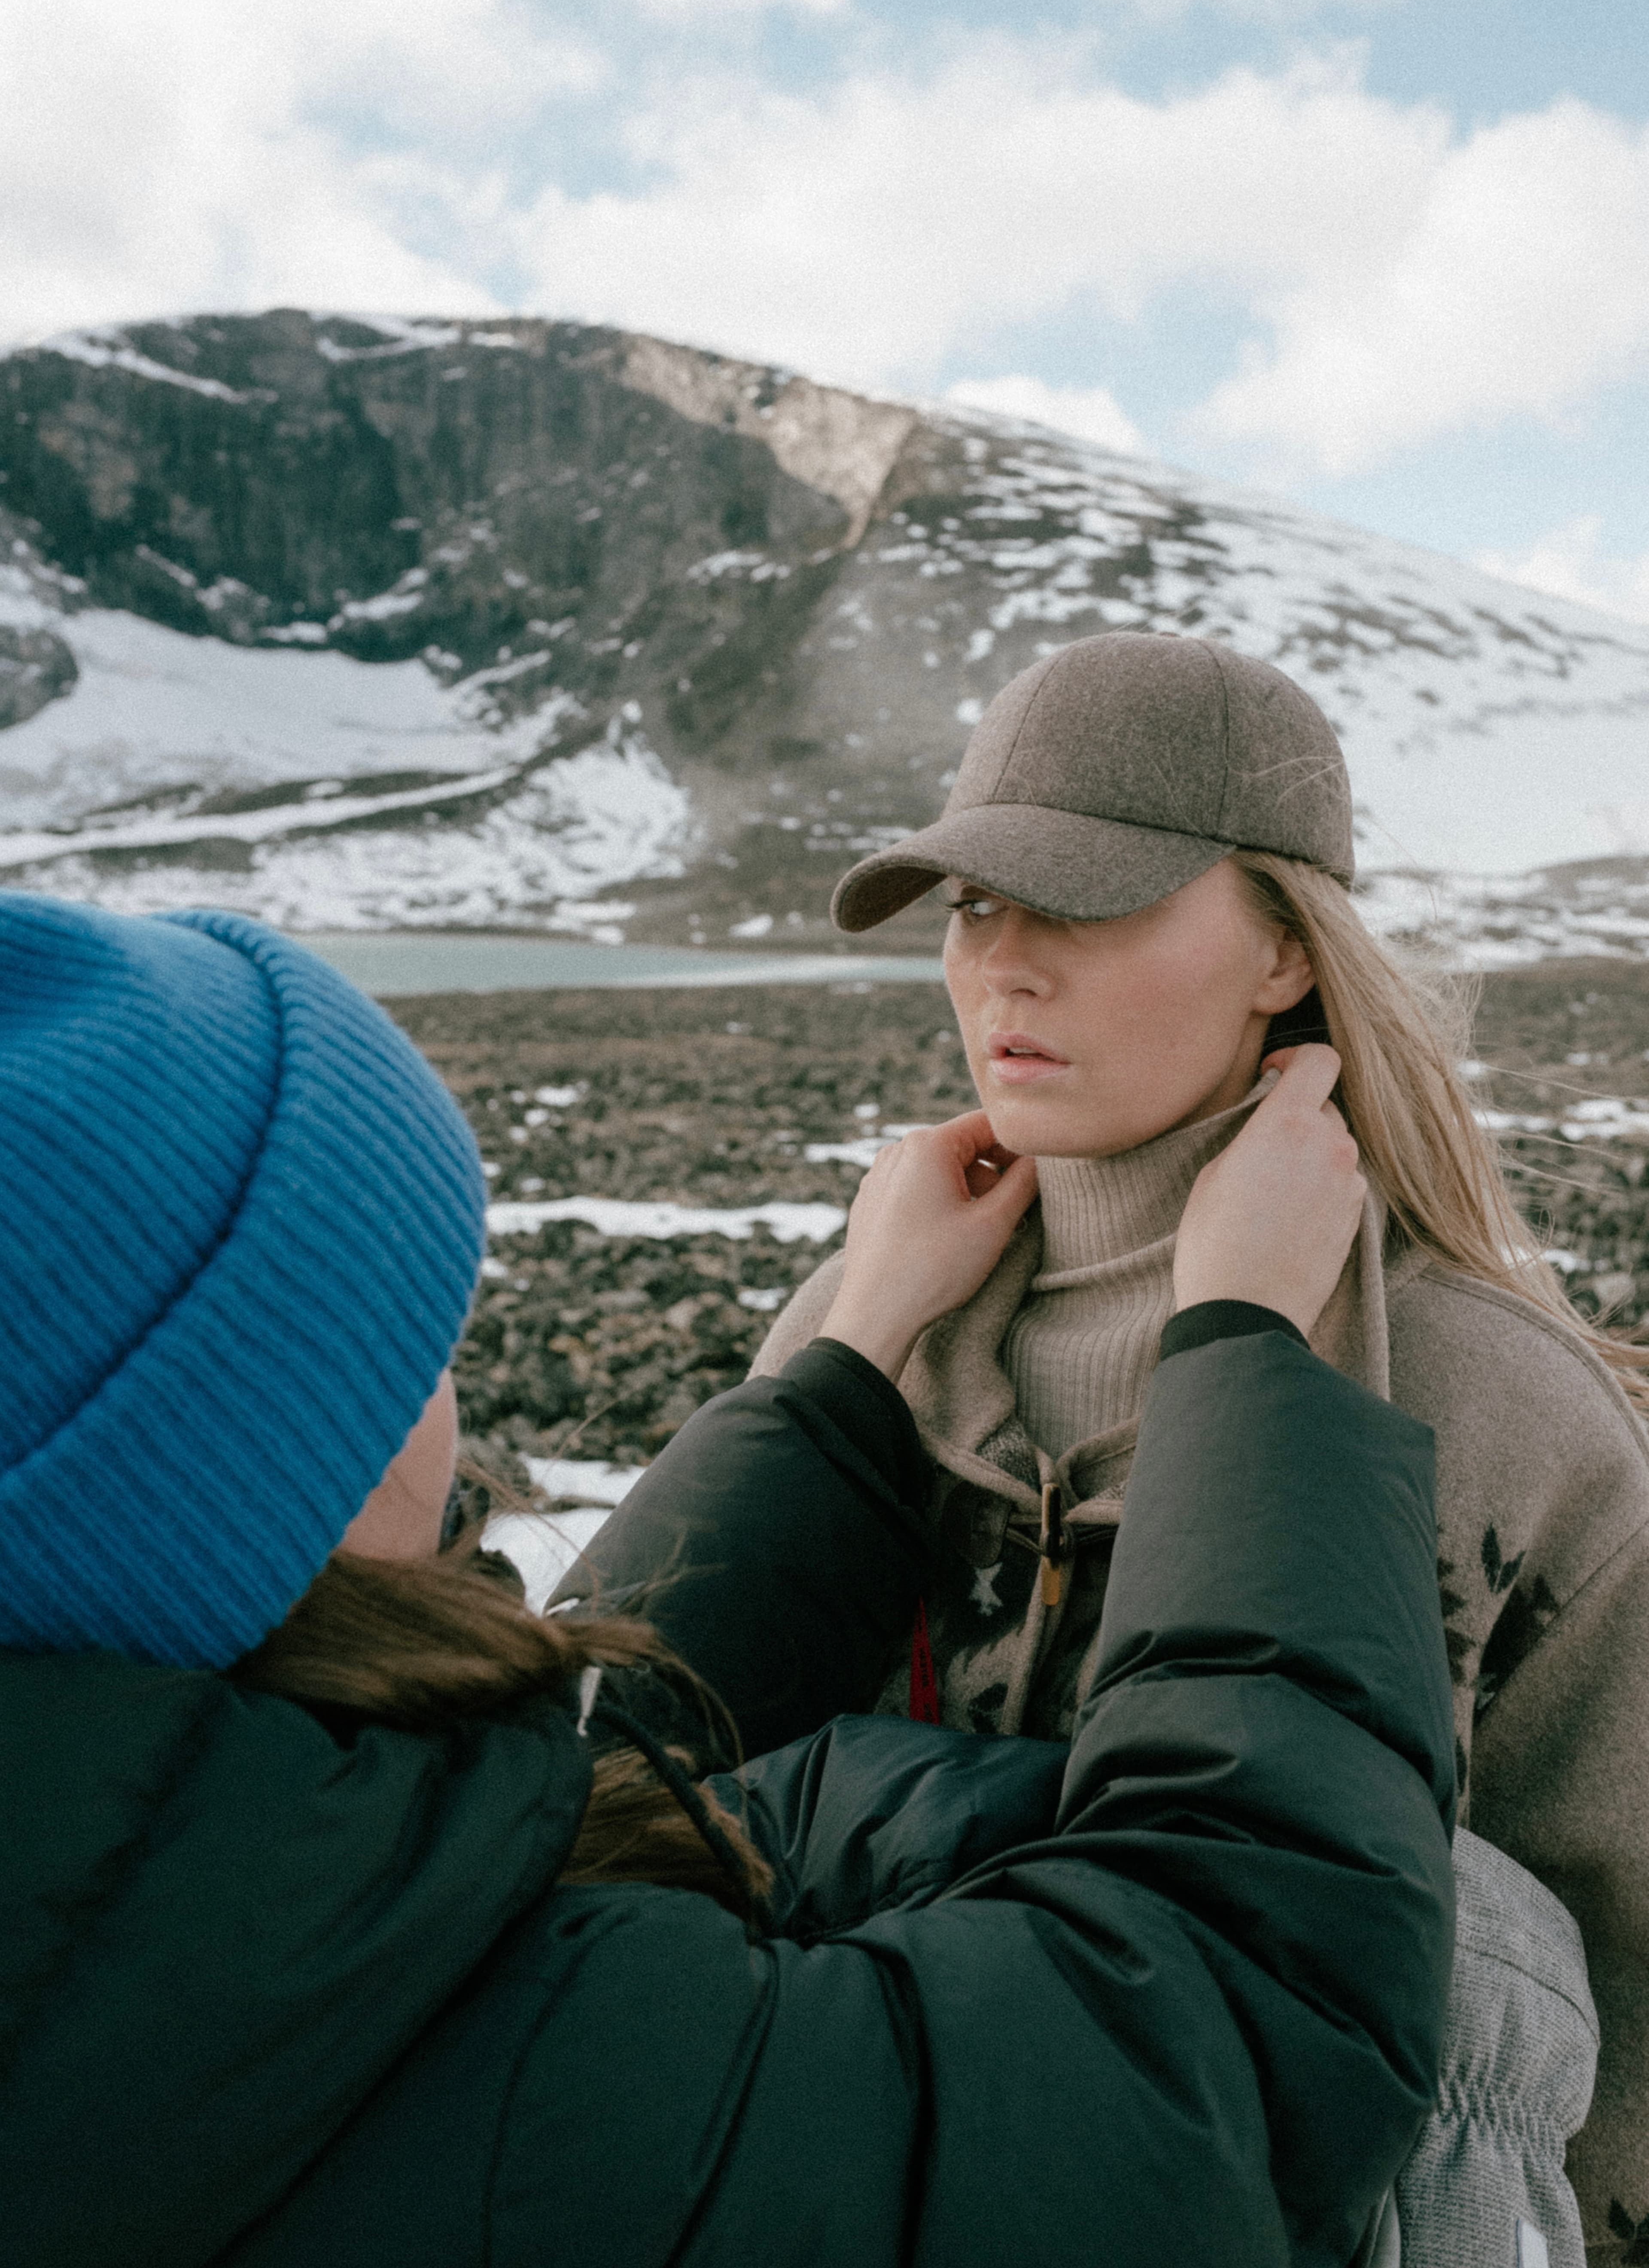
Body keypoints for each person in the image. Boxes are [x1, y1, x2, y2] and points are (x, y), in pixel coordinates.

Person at [0, 893, 1454, 2267]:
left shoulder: (150, 1909)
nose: (449, 1404)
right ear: (223, 1482)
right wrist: (1247, 1342)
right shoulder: (568, 2106)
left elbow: (497, 1822)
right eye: (405, 1354)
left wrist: (856, 1354)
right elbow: (1233, 2044)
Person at [753, 628, 1649, 2258]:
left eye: (1085, 899)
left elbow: (1624, 1993)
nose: (1002, 965)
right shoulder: (856, 1329)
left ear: (1287, 954)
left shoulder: (1493, 1405)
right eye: (970, 904)